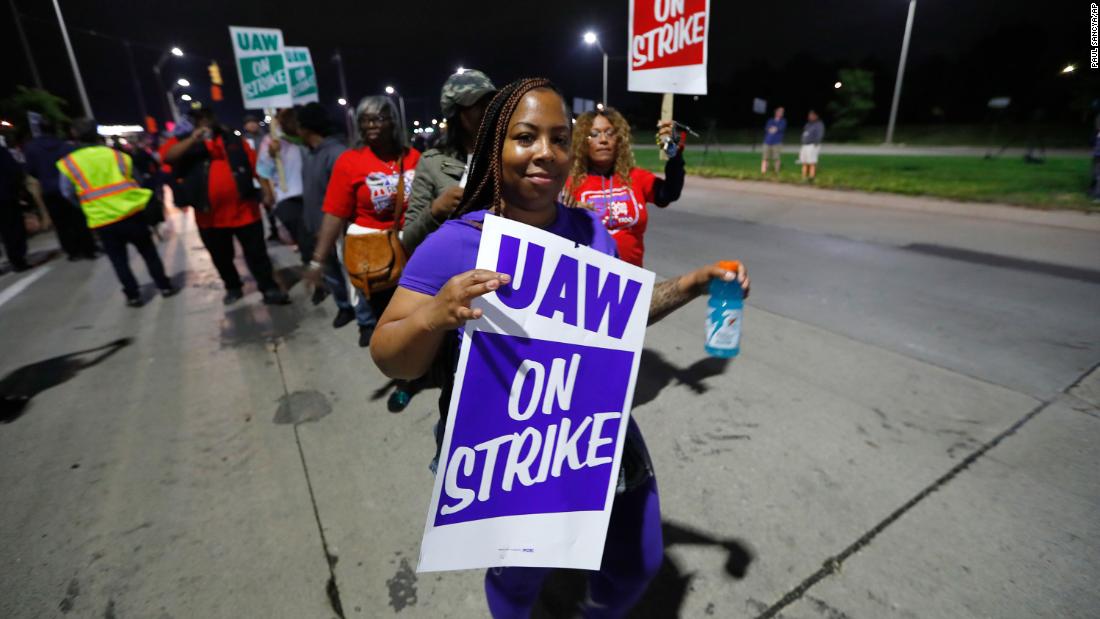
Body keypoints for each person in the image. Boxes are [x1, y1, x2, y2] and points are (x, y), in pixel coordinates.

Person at [369, 78, 749, 619]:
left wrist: (692, 284)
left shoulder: (592, 231)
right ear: (494, 148)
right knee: (519, 578)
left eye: (557, 139)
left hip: (594, 429)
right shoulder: (455, 243)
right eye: (525, 137)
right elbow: (390, 355)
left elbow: (618, 320)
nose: (545, 153)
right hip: (507, 448)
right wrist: (433, 315)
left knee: (638, 559)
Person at [307, 95, 420, 351]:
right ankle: (401, 367)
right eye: (365, 120)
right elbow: (335, 212)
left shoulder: (414, 157)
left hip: (414, 248)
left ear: (393, 121)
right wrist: (318, 259)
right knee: (389, 318)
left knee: (417, 312)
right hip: (375, 255)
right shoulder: (350, 162)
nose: (371, 125)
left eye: (378, 118)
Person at [162, 109, 290, 305]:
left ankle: (269, 288)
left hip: (245, 210)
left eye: (208, 118)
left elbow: (254, 166)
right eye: (201, 120)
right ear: (194, 123)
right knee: (221, 256)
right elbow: (168, 157)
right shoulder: (183, 141)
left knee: (257, 253)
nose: (206, 123)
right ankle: (232, 287)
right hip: (209, 216)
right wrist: (192, 140)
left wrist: (267, 191)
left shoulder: (232, 138)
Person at [57, 119, 177, 306]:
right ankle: (164, 286)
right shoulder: (118, 156)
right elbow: (137, 180)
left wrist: (87, 206)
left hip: (103, 220)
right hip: (131, 213)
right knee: (148, 253)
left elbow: (67, 192)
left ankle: (133, 295)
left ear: (74, 135)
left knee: (119, 261)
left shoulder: (70, 163)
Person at [566, 107, 684, 267]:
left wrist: (675, 156)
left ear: (619, 139)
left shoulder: (636, 177)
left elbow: (668, 194)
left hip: (631, 281)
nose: (603, 139)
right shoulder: (570, 182)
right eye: (594, 134)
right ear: (582, 142)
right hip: (587, 280)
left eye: (609, 133)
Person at [404, 69, 497, 255]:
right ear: (456, 113)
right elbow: (409, 239)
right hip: (453, 267)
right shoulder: (432, 163)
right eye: (477, 104)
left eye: (490, 102)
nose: (487, 109)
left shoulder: (507, 155)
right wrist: (436, 210)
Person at [296, 102, 368, 327]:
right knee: (332, 273)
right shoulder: (312, 154)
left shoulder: (337, 154)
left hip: (339, 230)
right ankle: (344, 307)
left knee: (353, 275)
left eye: (298, 126)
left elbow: (344, 199)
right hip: (318, 228)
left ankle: (365, 320)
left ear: (307, 128)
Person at [22, 118, 100, 260]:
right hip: (70, 187)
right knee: (79, 220)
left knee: (61, 223)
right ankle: (88, 249)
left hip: (49, 190)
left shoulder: (31, 148)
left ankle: (72, 252)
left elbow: (31, 170)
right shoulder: (66, 146)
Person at [257, 108, 308, 263]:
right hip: (288, 200)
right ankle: (318, 278)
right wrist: (270, 155)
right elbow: (262, 171)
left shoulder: (306, 137)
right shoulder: (271, 141)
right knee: (307, 243)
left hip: (314, 197)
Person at [242, 113, 281, 242]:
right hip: (254, 177)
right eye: (249, 122)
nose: (252, 125)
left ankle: (276, 228)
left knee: (272, 202)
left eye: (254, 122)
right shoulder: (243, 141)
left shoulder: (266, 137)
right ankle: (267, 230)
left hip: (269, 174)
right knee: (260, 204)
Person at [0, 145, 29, 272]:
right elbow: (13, 171)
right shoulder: (1, 152)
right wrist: (18, 190)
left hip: (6, 194)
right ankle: (18, 260)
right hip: (5, 196)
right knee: (12, 229)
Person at [800, 110, 825, 181]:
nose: (810, 117)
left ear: (816, 116)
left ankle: (811, 177)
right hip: (805, 145)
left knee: (812, 162)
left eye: (812, 115)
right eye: (809, 115)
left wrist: (816, 143)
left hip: (812, 145)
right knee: (804, 162)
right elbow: (805, 133)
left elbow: (820, 134)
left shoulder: (819, 124)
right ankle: (804, 177)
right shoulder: (808, 124)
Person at [761, 106, 786, 175]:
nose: (781, 113)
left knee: (776, 158)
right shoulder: (770, 120)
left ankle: (776, 172)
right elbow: (767, 128)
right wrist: (774, 129)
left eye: (782, 112)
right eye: (780, 111)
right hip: (767, 141)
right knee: (765, 157)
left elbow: (779, 128)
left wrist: (774, 128)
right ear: (776, 112)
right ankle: (763, 172)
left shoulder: (783, 121)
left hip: (777, 142)